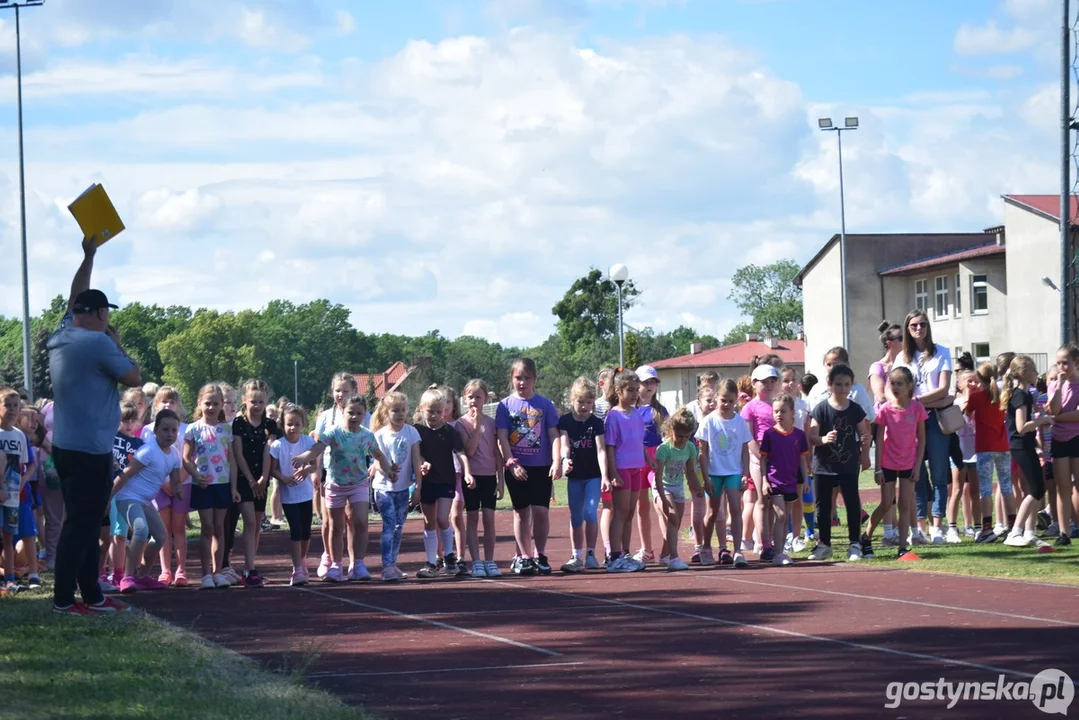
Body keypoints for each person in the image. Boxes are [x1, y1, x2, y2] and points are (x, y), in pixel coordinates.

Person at [48, 235, 142, 615]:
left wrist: (88, 257)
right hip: (91, 449)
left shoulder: (62, 336)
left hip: (67, 444)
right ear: (102, 315)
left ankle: (92, 594)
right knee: (82, 526)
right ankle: (64, 600)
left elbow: (76, 296)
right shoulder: (98, 343)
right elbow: (134, 378)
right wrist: (116, 343)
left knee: (83, 523)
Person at [293, 394, 395, 582]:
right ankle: (336, 565)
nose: (355, 417)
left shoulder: (367, 435)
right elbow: (317, 449)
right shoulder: (333, 432)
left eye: (359, 413)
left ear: (365, 415)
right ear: (343, 412)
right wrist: (304, 457)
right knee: (335, 526)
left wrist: (389, 470)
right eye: (351, 412)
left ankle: (358, 564)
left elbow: (379, 455)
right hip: (336, 484)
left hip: (358, 484)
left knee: (362, 522)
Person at [893, 311, 953, 545]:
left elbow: (944, 389)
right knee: (915, 475)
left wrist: (917, 401)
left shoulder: (942, 352)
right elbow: (897, 389)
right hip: (910, 421)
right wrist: (932, 401)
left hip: (936, 419)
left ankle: (937, 526)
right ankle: (919, 528)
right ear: (908, 329)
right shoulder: (902, 358)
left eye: (923, 324)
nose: (919, 329)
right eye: (914, 325)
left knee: (939, 474)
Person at [496, 358, 561, 576]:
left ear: (534, 379)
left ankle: (540, 554)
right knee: (521, 513)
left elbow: (554, 435)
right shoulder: (504, 406)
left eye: (527, 378)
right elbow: (502, 437)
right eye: (518, 378)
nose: (522, 382)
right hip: (516, 468)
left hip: (541, 467)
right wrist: (511, 462)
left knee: (541, 512)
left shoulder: (545, 405)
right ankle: (524, 556)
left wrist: (557, 461)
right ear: (511, 379)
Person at [110, 410, 183, 594]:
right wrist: (107, 498)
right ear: (155, 430)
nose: (169, 434)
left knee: (161, 536)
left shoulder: (173, 454)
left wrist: (179, 489)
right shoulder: (148, 451)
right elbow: (125, 474)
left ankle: (142, 576)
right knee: (140, 530)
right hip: (128, 498)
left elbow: (175, 480)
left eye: (173, 430)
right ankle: (127, 577)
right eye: (165, 430)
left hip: (146, 501)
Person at [808, 364, 871, 562]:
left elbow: (864, 432)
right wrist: (823, 439)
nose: (842, 388)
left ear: (851, 385)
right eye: (838, 384)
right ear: (829, 385)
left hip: (848, 465)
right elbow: (812, 435)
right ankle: (824, 544)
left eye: (846, 384)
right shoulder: (821, 409)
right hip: (824, 466)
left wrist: (865, 451)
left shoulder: (855, 409)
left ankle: (854, 544)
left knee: (852, 503)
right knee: (823, 507)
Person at [866, 367, 927, 560]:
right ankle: (865, 537)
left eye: (899, 383)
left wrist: (917, 467)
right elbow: (879, 438)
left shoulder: (917, 408)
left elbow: (922, 439)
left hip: (908, 463)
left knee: (905, 505)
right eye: (892, 383)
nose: (895, 387)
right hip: (888, 463)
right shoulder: (885, 410)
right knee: (886, 504)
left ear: (909, 386)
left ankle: (902, 546)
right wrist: (878, 468)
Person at [184, 384, 239, 589]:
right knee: (207, 527)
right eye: (207, 403)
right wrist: (197, 476)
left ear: (222, 405)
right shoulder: (193, 429)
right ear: (200, 403)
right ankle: (206, 574)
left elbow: (232, 460)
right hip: (203, 485)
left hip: (222, 485)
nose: (211, 407)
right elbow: (186, 459)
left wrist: (233, 488)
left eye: (216, 403)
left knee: (219, 528)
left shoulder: (226, 429)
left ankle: (218, 572)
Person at [412, 387, 469, 578]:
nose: (435, 415)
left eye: (439, 411)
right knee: (429, 522)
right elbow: (416, 453)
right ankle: (431, 563)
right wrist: (422, 463)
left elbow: (460, 453)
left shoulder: (449, 431)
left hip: (446, 481)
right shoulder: (417, 430)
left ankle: (449, 556)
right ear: (422, 409)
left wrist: (467, 472)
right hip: (427, 482)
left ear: (444, 411)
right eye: (430, 411)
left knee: (442, 519)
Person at [228, 379, 279, 587]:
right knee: (249, 522)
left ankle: (250, 567)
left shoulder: (270, 424)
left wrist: (263, 478)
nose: (256, 406)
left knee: (256, 525)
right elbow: (238, 454)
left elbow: (269, 450)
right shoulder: (239, 423)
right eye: (253, 401)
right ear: (244, 400)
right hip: (242, 478)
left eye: (260, 402)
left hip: (261, 479)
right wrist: (250, 480)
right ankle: (248, 569)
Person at [696, 379, 750, 567]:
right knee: (712, 512)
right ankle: (705, 547)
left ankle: (738, 551)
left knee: (736, 509)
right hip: (713, 473)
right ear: (716, 400)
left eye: (730, 401)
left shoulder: (740, 422)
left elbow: (745, 450)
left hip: (733, 472)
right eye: (723, 400)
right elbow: (702, 451)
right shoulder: (708, 422)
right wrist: (705, 476)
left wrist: (746, 472)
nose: (726, 404)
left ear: (736, 400)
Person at [369, 393, 422, 582]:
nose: (400, 414)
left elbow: (417, 460)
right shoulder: (380, 435)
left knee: (399, 526)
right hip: (383, 488)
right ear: (386, 412)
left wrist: (418, 487)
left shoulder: (412, 433)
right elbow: (376, 462)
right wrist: (388, 471)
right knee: (389, 524)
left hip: (402, 488)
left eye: (403, 410)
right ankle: (386, 566)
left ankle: (392, 563)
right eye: (395, 410)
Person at [1002, 356, 1054, 547]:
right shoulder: (1020, 395)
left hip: (1026, 445)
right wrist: (1041, 420)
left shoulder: (1024, 394)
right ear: (1023, 373)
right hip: (1020, 446)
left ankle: (1030, 533)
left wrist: (1037, 445)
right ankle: (1015, 532)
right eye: (1033, 369)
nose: (1036, 373)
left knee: (1037, 489)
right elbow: (1021, 426)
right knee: (1036, 489)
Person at [557, 377, 607, 573]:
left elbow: (601, 449)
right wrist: (564, 460)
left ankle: (591, 554)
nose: (585, 406)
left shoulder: (596, 423)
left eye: (588, 402)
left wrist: (604, 476)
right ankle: (576, 555)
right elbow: (564, 444)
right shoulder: (566, 421)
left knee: (590, 513)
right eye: (580, 402)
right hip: (575, 477)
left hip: (593, 476)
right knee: (576, 517)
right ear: (572, 400)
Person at [602, 368, 650, 573]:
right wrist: (612, 473)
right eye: (629, 390)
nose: (633, 394)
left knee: (630, 512)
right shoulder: (613, 416)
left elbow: (639, 442)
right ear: (618, 390)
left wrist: (649, 460)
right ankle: (613, 556)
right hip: (621, 468)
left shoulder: (637, 414)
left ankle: (625, 553)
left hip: (636, 468)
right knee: (620, 512)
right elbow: (610, 446)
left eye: (635, 390)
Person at [312, 372, 359, 578]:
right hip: (330, 473)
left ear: (354, 392)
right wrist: (316, 472)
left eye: (345, 391)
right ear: (332, 392)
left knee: (351, 520)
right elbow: (317, 446)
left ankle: (353, 561)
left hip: (354, 473)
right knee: (329, 520)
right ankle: (329, 556)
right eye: (337, 390)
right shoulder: (325, 417)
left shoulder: (361, 414)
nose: (341, 394)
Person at [456, 380, 504, 578]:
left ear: (485, 398)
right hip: (472, 477)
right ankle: (476, 561)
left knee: (489, 518)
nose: (474, 401)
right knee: (473, 518)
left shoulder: (492, 423)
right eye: (470, 397)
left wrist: (501, 479)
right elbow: (469, 450)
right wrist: (476, 426)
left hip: (488, 476)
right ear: (464, 399)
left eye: (478, 397)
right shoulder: (461, 424)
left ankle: (490, 560)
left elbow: (497, 452)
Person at [144, 386, 190, 586]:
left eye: (172, 401)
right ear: (155, 405)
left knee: (179, 527)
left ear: (179, 406)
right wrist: (164, 484)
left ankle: (181, 569)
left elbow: (189, 459)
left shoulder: (186, 429)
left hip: (183, 483)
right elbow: (145, 459)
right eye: (163, 401)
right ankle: (165, 570)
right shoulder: (147, 431)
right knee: (163, 528)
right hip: (158, 486)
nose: (168, 404)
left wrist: (176, 481)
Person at [268, 404, 318, 586]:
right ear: (283, 424)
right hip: (288, 495)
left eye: (296, 424)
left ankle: (302, 559)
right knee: (295, 531)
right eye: (289, 424)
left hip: (305, 493)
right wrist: (283, 478)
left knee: (306, 532)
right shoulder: (278, 445)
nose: (293, 428)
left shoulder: (308, 442)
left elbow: (314, 465)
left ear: (303, 424)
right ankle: (297, 568)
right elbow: (272, 470)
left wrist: (306, 471)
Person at [966, 363, 1016, 544]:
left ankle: (987, 528)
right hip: (1002, 446)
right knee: (1006, 486)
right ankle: (1013, 525)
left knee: (985, 489)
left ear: (979, 378)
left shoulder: (976, 397)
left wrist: (967, 391)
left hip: (984, 447)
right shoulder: (1003, 395)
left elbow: (966, 412)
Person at [759, 392, 809, 566]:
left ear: (792, 412)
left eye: (783, 411)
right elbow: (763, 458)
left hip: (791, 482)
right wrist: (764, 481)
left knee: (784, 517)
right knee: (780, 516)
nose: (779, 415)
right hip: (774, 482)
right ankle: (778, 553)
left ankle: (779, 550)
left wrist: (806, 480)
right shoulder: (769, 435)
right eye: (776, 411)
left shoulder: (799, 436)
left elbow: (802, 459)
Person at [652, 408, 703, 570]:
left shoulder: (689, 447)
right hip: (663, 487)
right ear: (670, 430)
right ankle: (674, 558)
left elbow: (690, 472)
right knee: (673, 517)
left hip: (678, 489)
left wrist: (698, 487)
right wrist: (661, 497)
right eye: (680, 436)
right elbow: (658, 477)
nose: (683, 440)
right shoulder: (664, 449)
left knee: (674, 524)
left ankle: (664, 556)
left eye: (687, 436)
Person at [742, 364, 780, 553]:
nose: (769, 385)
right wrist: (761, 455)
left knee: (774, 501)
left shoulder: (778, 405)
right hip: (758, 459)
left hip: (778, 460)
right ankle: (762, 542)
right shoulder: (750, 408)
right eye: (764, 382)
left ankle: (769, 539)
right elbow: (748, 437)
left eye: (772, 381)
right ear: (754, 383)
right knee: (762, 500)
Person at [634, 365, 669, 565]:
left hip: (656, 459)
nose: (648, 386)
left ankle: (667, 548)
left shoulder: (660, 411)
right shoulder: (631, 409)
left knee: (660, 502)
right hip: (636, 459)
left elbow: (668, 436)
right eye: (644, 382)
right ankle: (646, 549)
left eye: (652, 382)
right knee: (641, 506)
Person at [1048, 344, 1079, 546]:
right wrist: (1058, 386)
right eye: (1058, 363)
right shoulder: (1054, 385)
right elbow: (1054, 408)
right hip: (1059, 439)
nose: (1062, 367)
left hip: (1076, 437)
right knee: (1063, 487)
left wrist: (1058, 417)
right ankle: (1063, 532)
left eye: (1065, 363)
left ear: (1076, 363)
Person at [686, 381, 718, 563]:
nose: (712, 403)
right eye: (708, 400)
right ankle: (698, 546)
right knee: (698, 510)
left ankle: (715, 546)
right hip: (697, 473)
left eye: (714, 400)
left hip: (715, 472)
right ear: (699, 403)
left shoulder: (719, 424)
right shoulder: (694, 428)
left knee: (715, 511)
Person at [0, 387, 28, 594]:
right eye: (6, 405)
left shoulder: (19, 436)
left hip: (12, 496)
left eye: (15, 406)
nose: (11, 410)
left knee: (9, 536)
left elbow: (21, 466)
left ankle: (10, 577)